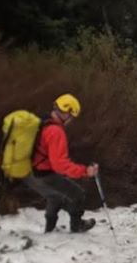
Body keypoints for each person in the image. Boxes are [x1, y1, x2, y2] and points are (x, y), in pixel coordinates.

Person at [24, 94, 99, 234]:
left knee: (55, 197)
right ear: (66, 113)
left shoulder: (43, 120)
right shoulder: (55, 131)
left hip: (30, 171)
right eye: (71, 115)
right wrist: (85, 171)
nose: (71, 120)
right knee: (77, 194)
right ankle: (77, 226)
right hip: (42, 174)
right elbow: (60, 165)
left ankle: (50, 229)